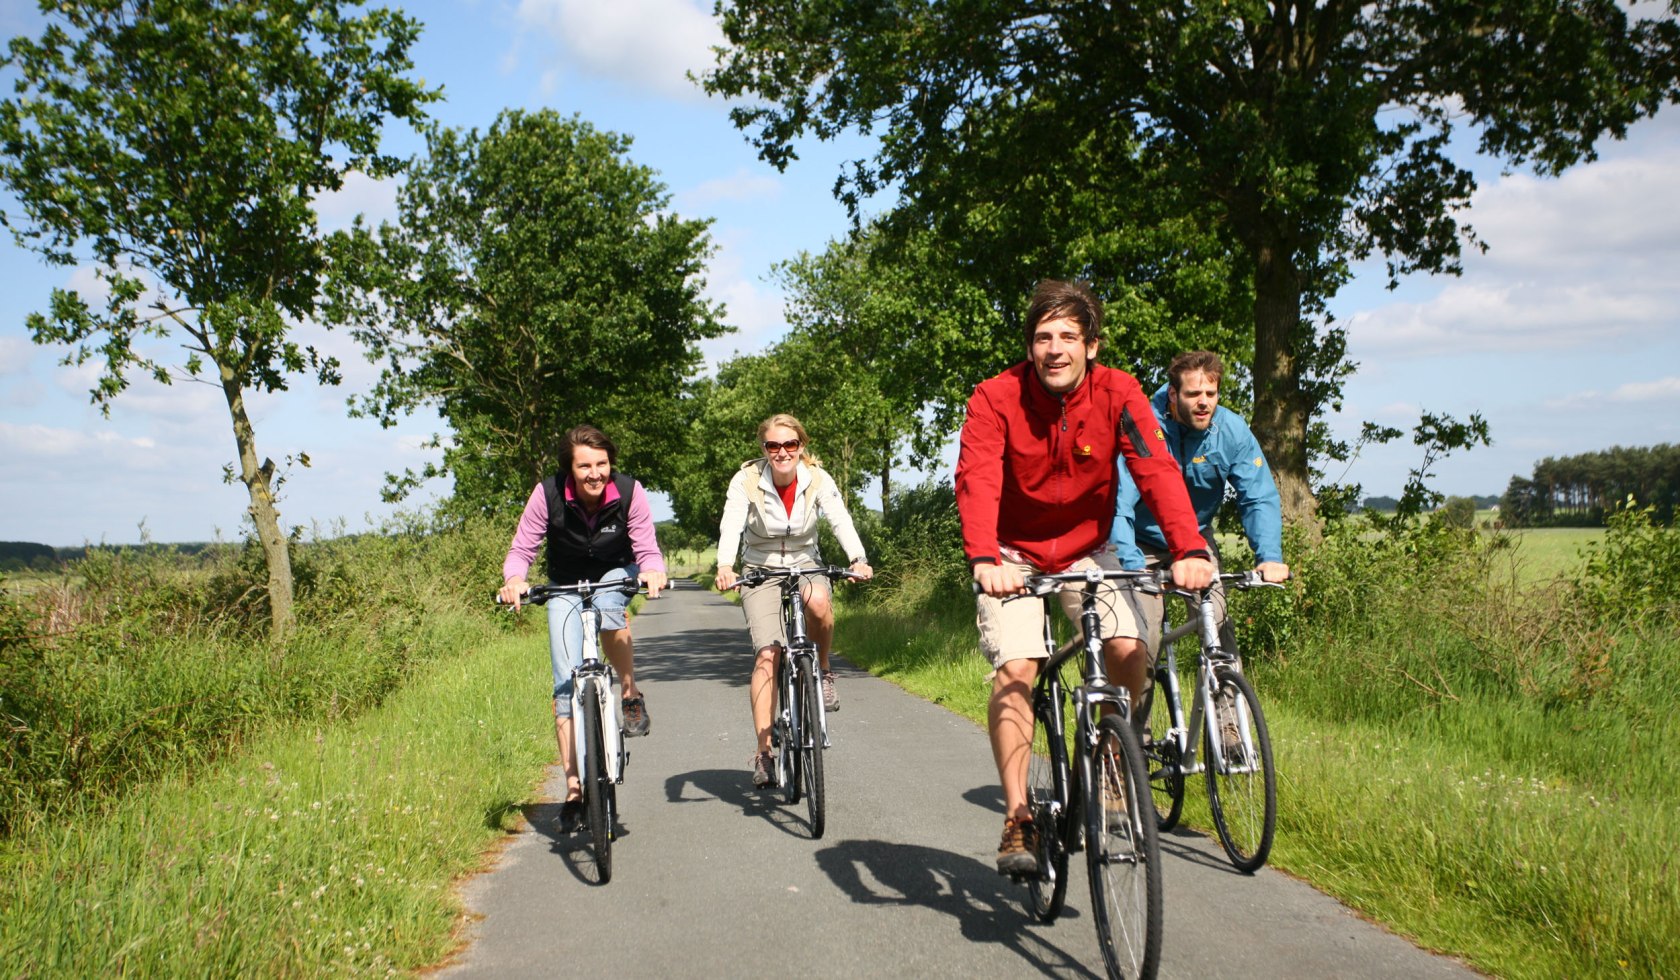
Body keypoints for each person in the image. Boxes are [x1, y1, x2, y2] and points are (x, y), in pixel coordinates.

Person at [955, 279, 1214, 876]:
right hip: (1010, 552)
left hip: (1086, 550)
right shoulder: (995, 397)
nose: (1054, 349)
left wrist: (1189, 547)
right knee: (1018, 668)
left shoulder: (1119, 392)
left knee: (1129, 649)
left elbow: (1155, 468)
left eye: (1068, 336)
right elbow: (977, 478)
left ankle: (1111, 760)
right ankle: (1019, 818)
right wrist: (983, 560)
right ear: (1029, 346)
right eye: (1043, 337)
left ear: (1091, 345)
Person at [1111, 351, 1289, 754]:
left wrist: (1269, 556)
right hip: (1139, 540)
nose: (1204, 401)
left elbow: (1257, 496)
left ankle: (1229, 728)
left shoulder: (1231, 430)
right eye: (1193, 394)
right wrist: (1132, 566)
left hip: (1193, 540)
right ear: (1173, 395)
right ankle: (1131, 742)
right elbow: (1118, 502)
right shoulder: (1144, 425)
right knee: (1143, 636)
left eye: (1211, 392)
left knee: (1217, 617)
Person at [499, 424, 668, 830]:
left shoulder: (630, 492)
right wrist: (514, 580)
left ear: (611, 463)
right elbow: (523, 547)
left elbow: (646, 545)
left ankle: (628, 690)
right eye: (585, 466)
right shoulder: (548, 493)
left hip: (615, 570)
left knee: (610, 605)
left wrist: (653, 572)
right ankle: (574, 792)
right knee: (563, 682)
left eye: (602, 464)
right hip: (566, 583)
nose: (595, 473)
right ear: (570, 470)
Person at [714, 413, 874, 788]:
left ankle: (822, 669)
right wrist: (725, 565)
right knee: (768, 654)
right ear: (764, 449)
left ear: (801, 446)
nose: (782, 452)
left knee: (819, 603)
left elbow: (839, 518)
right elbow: (731, 523)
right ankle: (764, 752)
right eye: (773, 446)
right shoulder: (747, 480)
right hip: (760, 567)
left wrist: (859, 558)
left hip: (805, 562)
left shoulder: (817, 478)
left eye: (789, 444)